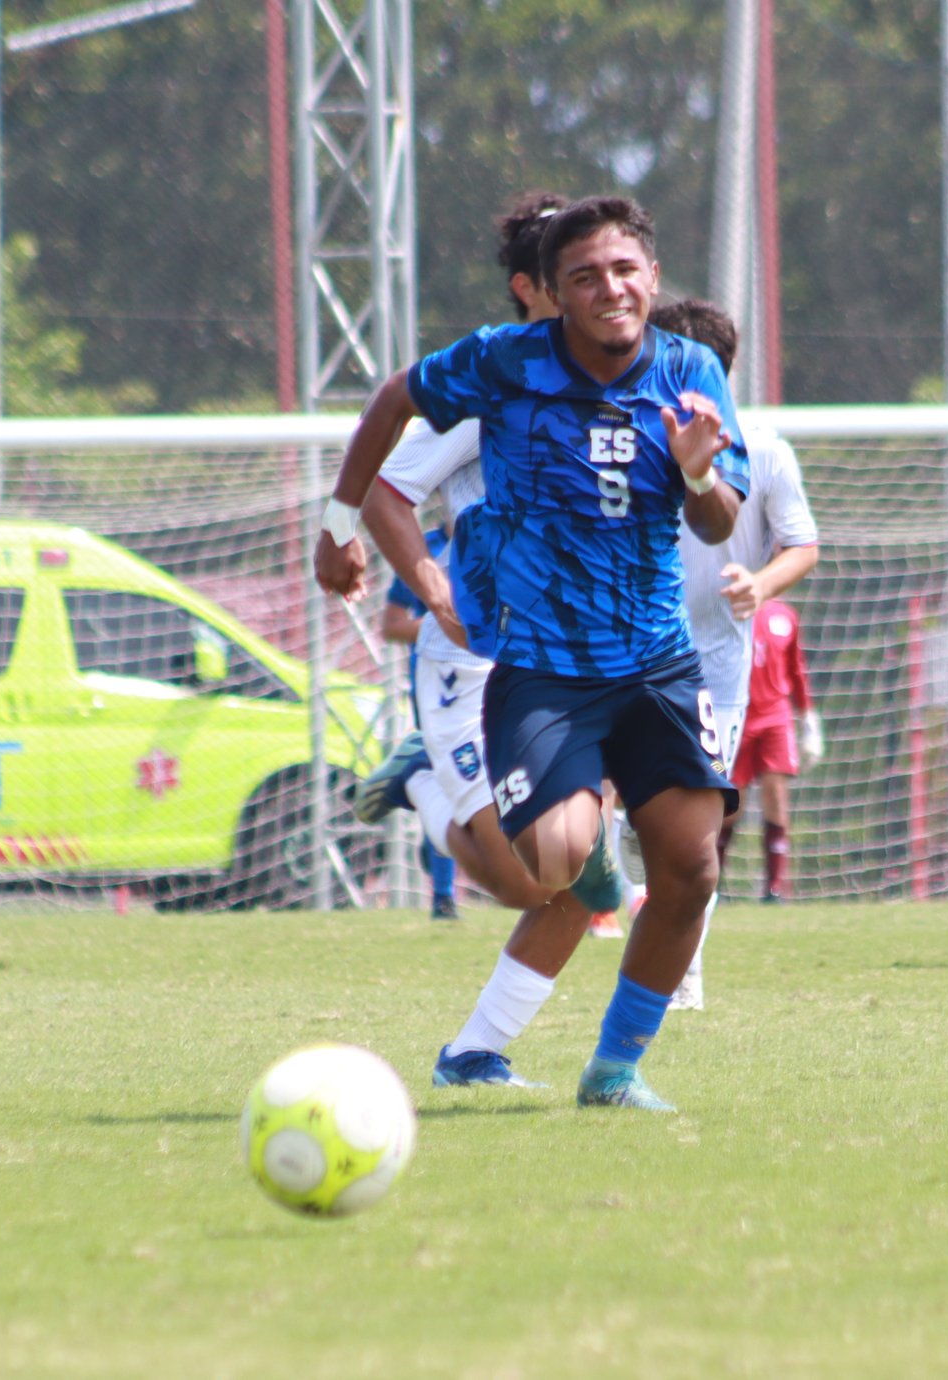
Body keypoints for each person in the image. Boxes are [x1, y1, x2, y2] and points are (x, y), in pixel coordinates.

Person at [315, 195, 749, 1112]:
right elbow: (395, 398)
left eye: (625, 271)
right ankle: (566, 832)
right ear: (551, 291)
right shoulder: (503, 365)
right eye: (584, 276)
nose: (610, 289)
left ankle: (616, 1068)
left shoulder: (689, 370)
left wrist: (699, 468)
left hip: (657, 663)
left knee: (692, 867)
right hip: (544, 667)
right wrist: (338, 521)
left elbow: (718, 520)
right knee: (552, 867)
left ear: (653, 278)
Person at [347, 191, 627, 1088]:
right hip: (479, 666)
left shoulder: (629, 379)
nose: (597, 292)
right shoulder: (488, 392)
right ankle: (424, 783)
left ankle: (475, 1053)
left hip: (591, 660)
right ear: (533, 289)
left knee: (578, 879)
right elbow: (388, 487)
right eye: (572, 275)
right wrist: (430, 590)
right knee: (522, 881)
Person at [631, 298, 820, 1008]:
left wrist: (760, 585)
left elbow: (803, 544)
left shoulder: (765, 450)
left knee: (699, 826)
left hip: (717, 663)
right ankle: (611, 894)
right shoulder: (631, 441)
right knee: (614, 814)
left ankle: (683, 981)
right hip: (625, 650)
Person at [378, 524, 462, 920]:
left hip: (494, 676)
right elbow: (392, 625)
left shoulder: (504, 527)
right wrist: (446, 625)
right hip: (438, 683)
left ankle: (440, 833)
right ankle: (443, 896)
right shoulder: (420, 545)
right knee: (448, 781)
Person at [725, 595, 822, 905]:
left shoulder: (785, 615)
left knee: (775, 794)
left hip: (775, 717)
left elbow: (796, 670)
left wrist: (808, 721)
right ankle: (710, 883)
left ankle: (775, 889)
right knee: (730, 801)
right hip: (737, 716)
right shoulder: (728, 606)